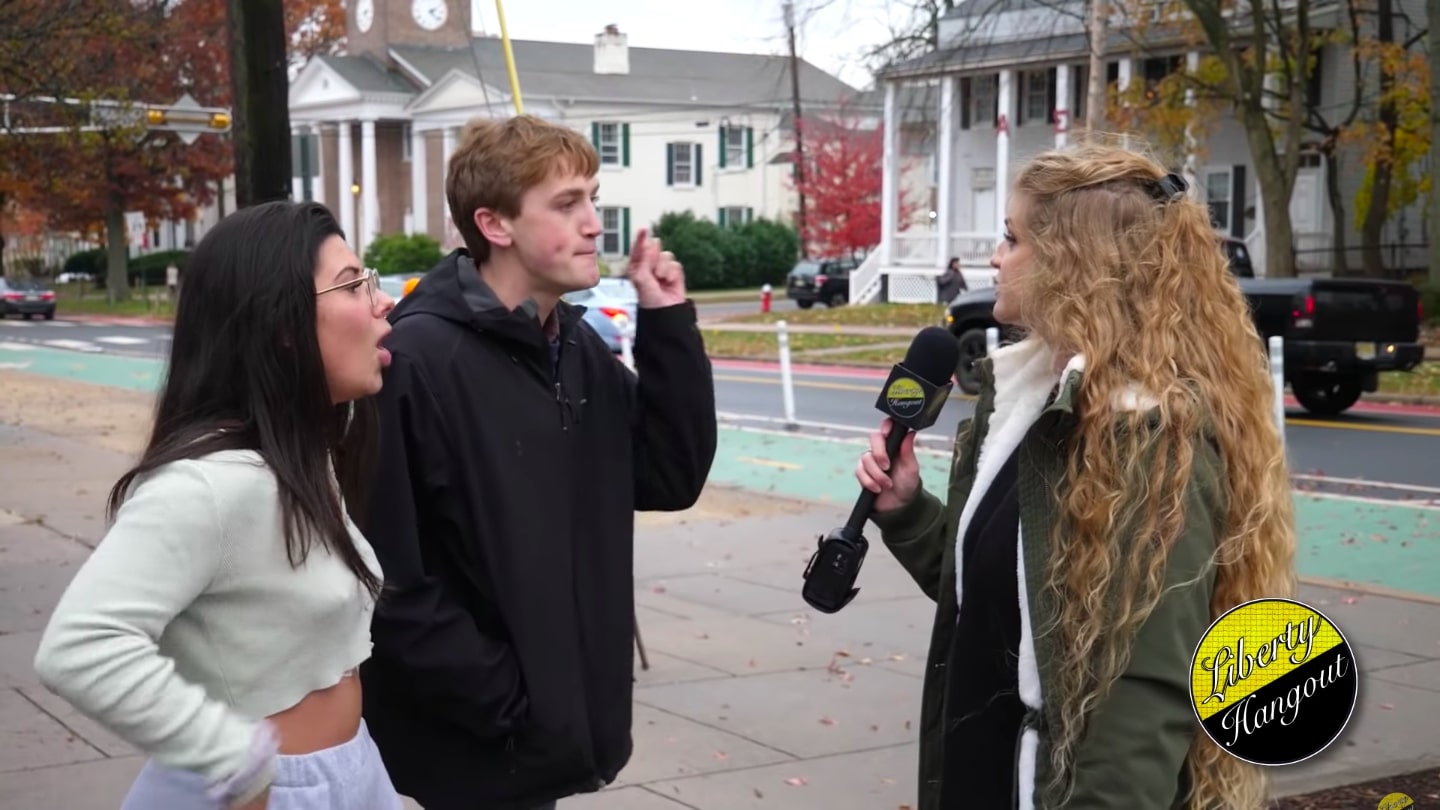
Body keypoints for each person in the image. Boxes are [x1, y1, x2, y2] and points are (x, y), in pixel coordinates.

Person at [854, 143, 1296, 810]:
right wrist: (909, 510)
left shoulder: (1147, 438)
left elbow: (1140, 708)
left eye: (1012, 237)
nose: (995, 258)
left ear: (1074, 261)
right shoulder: (1026, 404)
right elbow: (1004, 601)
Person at [356, 114, 718, 810]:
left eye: (593, 199)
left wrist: (667, 321)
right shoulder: (418, 359)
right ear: (495, 225)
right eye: (566, 203)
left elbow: (669, 476)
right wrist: (504, 699)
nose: (593, 223)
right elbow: (389, 575)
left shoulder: (574, 350)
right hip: (464, 755)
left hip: (546, 741)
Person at [33, 201, 405, 810]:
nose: (381, 301)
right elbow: (80, 646)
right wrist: (233, 761)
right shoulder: (208, 485)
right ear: (279, 325)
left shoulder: (307, 460)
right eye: (352, 283)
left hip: (347, 772)